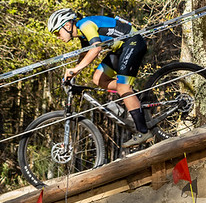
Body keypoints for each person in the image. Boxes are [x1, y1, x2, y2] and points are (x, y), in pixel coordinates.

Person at [47, 9, 153, 147]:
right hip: (120, 48)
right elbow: (84, 54)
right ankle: (129, 94)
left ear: (67, 25)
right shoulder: (81, 35)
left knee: (123, 87)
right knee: (98, 79)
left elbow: (96, 49)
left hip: (132, 41)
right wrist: (73, 72)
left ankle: (143, 132)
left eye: (57, 32)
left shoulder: (85, 25)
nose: (57, 36)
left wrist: (76, 69)